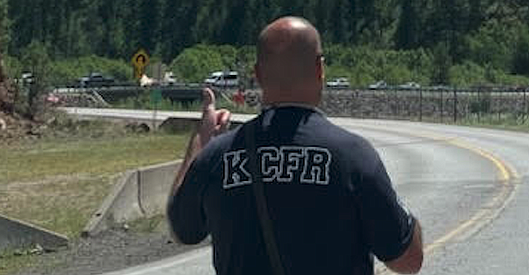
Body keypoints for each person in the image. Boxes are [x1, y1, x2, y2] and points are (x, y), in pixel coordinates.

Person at [167, 16, 424, 275]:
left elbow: (182, 229)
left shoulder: (217, 157)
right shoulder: (354, 156)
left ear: (257, 75)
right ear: (320, 70)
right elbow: (408, 261)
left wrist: (201, 140)